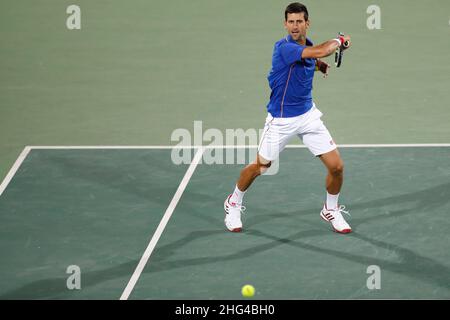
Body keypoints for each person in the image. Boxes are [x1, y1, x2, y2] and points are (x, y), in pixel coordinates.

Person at [224, 2, 352, 234]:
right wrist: (338, 41)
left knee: (337, 167)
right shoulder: (284, 48)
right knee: (261, 166)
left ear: (307, 23)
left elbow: (312, 57)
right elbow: (321, 51)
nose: (294, 26)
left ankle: (330, 209)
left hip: (308, 115)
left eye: (299, 21)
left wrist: (319, 66)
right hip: (281, 120)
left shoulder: (308, 45)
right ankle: (233, 202)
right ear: (285, 24)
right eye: (290, 22)